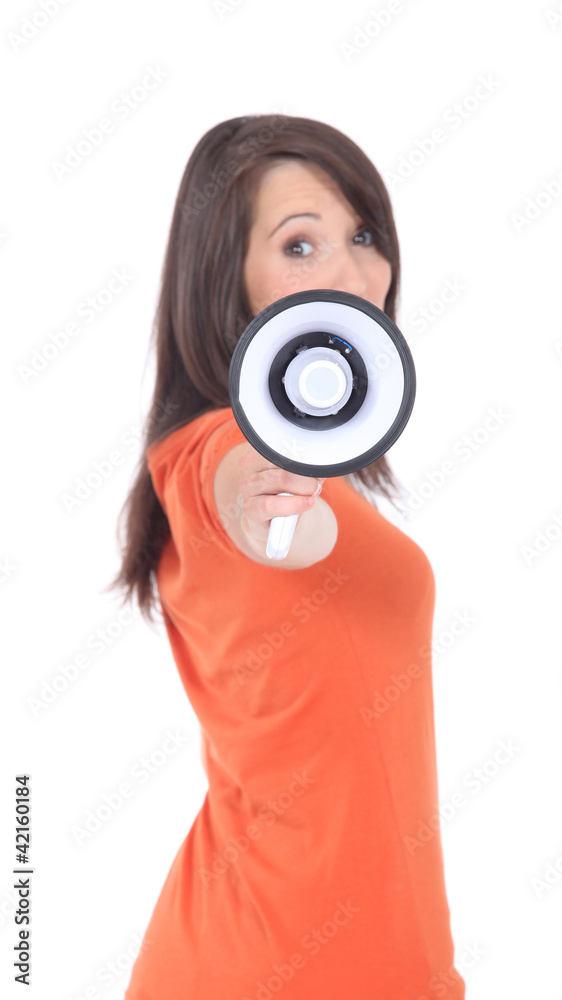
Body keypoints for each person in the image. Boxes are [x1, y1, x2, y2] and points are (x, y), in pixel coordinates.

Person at [109, 114, 466, 999]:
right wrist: (264, 488)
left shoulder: (331, 485)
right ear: (226, 278)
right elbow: (241, 497)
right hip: (259, 967)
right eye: (299, 245)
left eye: (363, 235)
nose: (351, 273)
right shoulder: (208, 452)